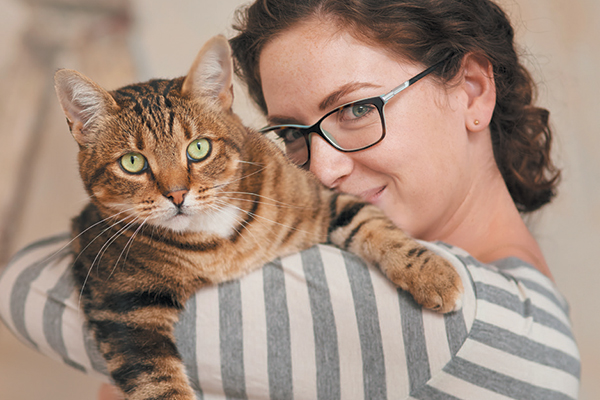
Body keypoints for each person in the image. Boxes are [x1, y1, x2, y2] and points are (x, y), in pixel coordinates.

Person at [0, 0, 580, 399]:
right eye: (295, 133)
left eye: (357, 108)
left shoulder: (442, 318)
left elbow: (23, 287)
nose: (322, 167)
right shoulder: (535, 309)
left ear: (473, 91)